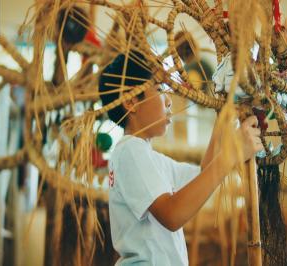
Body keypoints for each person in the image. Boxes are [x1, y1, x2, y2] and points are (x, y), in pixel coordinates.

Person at [99, 50, 262, 265]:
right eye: (159, 89)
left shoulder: (148, 157)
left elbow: (204, 174)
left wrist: (223, 117)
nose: (168, 100)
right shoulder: (129, 151)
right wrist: (231, 155)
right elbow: (172, 214)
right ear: (130, 102)